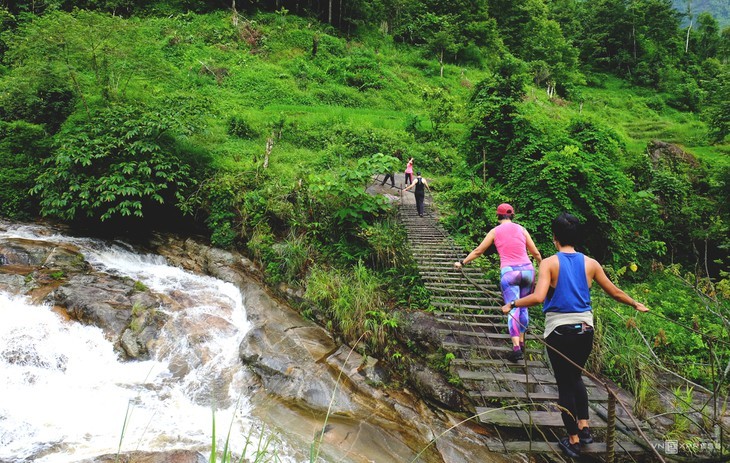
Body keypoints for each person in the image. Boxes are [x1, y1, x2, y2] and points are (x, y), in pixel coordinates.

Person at [499, 212, 649, 458]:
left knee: (564, 384)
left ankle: (573, 441)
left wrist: (513, 304)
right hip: (585, 331)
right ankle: (585, 427)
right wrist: (635, 304)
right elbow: (613, 291)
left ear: (554, 237)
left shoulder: (549, 262)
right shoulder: (591, 263)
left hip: (559, 332)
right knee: (576, 376)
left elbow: (537, 298)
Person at [454, 203, 542, 362]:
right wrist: (543, 267)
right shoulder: (522, 229)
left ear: (498, 216)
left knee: (513, 307)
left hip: (510, 272)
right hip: (528, 271)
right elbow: (535, 252)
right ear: (512, 215)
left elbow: (479, 251)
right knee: (523, 306)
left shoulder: (495, 231)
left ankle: (516, 348)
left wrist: (462, 262)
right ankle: (521, 341)